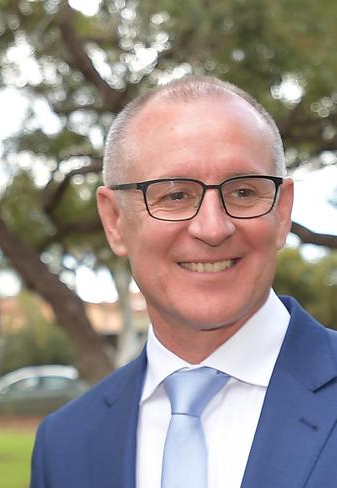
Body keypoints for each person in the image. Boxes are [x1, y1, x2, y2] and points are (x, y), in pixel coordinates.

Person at [30, 75, 337, 488]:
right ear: (115, 221)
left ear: (282, 213)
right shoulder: (64, 444)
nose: (213, 228)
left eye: (244, 192)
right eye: (175, 195)